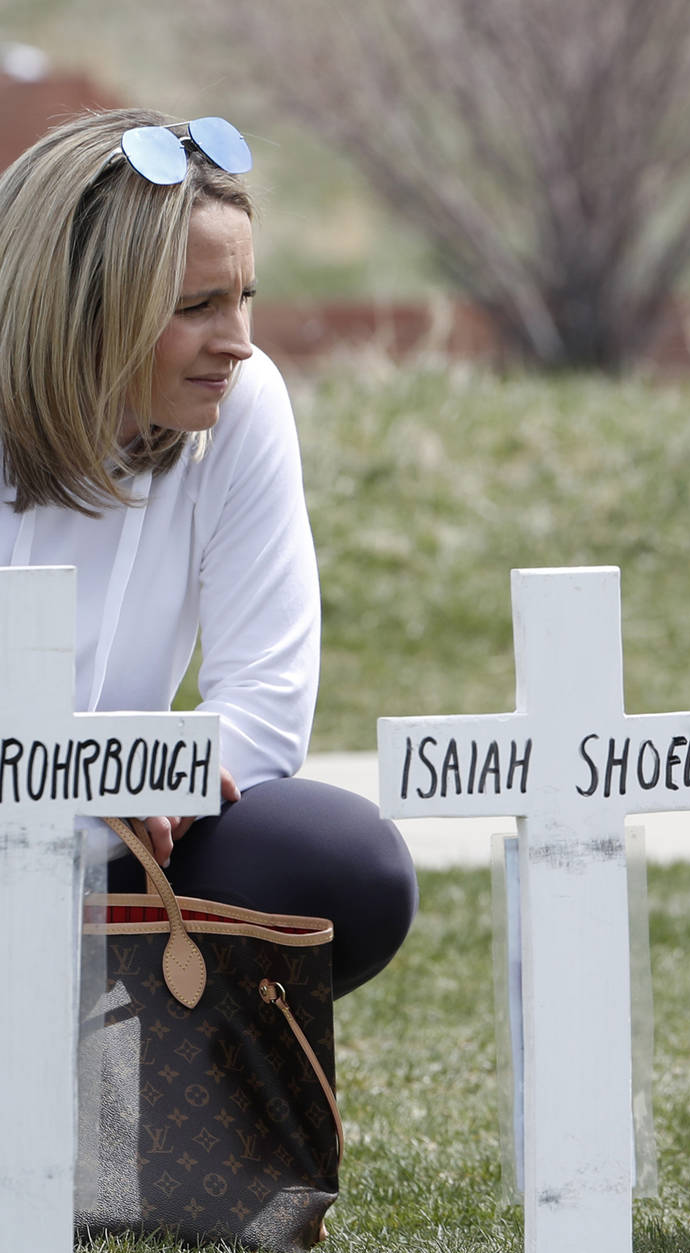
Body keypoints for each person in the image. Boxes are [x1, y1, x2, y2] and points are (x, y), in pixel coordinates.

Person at [0, 109, 414, 998]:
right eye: (196, 308)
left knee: (347, 863)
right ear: (82, 308)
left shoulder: (241, 402)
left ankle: (142, 1097)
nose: (239, 341)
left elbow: (266, 698)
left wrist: (165, 786)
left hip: (132, 846)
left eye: (245, 297)